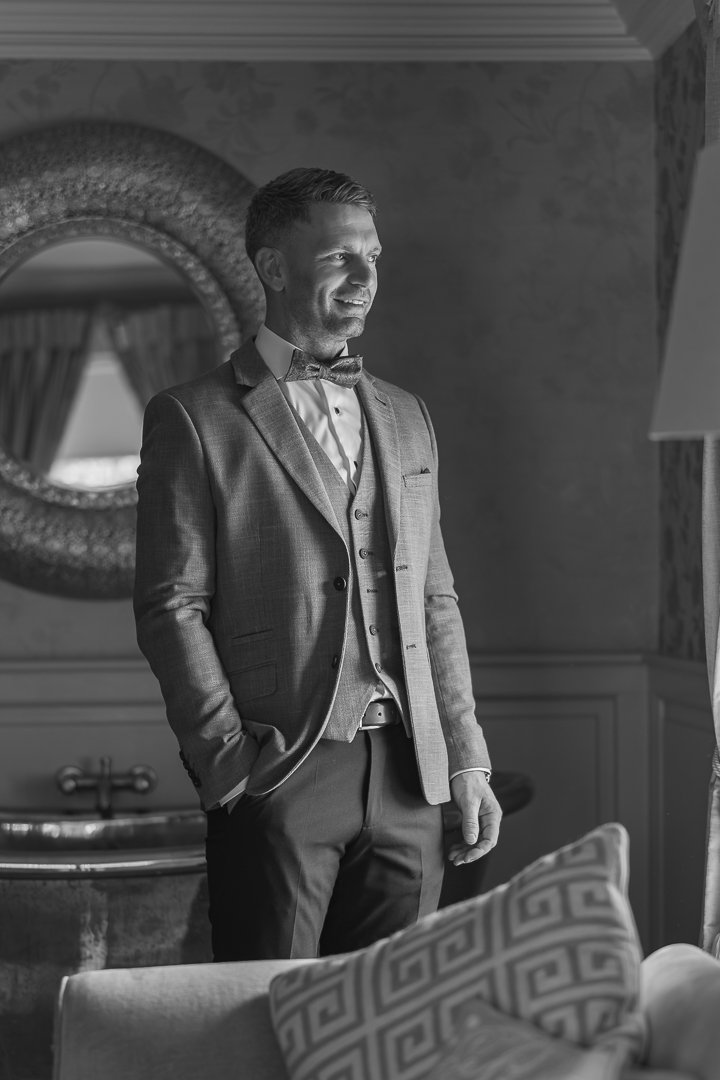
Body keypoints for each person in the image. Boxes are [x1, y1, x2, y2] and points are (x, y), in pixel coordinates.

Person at [133, 167, 501, 961]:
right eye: (340, 258)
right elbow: (172, 606)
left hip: (410, 775)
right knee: (266, 1025)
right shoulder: (194, 418)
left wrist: (466, 754)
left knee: (387, 1027)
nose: (367, 278)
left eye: (374, 256)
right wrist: (229, 766)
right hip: (281, 771)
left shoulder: (407, 415)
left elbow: (435, 597)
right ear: (272, 267)